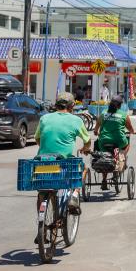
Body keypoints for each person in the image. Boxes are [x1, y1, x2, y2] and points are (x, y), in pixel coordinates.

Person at [33, 92, 91, 242]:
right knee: (83, 168)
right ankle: (74, 196)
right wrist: (85, 148)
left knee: (42, 191)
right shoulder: (76, 120)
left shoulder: (44, 118)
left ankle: (42, 225)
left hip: (43, 164)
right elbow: (87, 139)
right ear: (72, 106)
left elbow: (38, 138)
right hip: (64, 163)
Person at [94, 95, 136, 191]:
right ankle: (121, 158)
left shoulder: (103, 113)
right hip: (119, 140)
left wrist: (96, 132)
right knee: (127, 144)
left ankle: (104, 180)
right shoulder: (123, 115)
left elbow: (96, 128)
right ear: (120, 105)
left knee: (104, 156)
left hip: (104, 141)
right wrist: (133, 132)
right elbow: (130, 128)